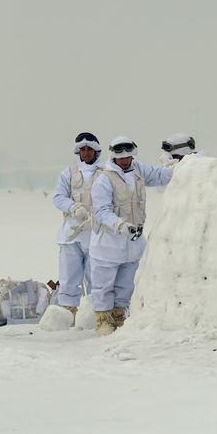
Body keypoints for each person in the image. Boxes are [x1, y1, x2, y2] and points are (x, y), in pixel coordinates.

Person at [89, 136, 174, 336]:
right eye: (122, 158)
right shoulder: (104, 180)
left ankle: (119, 315)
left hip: (133, 243)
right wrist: (120, 225)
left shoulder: (138, 170)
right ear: (114, 157)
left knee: (126, 283)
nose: (126, 161)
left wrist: (185, 166)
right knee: (103, 284)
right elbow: (101, 212)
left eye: (128, 157)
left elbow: (161, 175)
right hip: (108, 244)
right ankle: (103, 320)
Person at [51, 132, 103, 321]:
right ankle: (67, 315)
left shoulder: (106, 172)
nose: (86, 153)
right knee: (67, 277)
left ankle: (95, 315)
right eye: (83, 149)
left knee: (96, 278)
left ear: (96, 151)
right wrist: (73, 207)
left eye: (89, 149)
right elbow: (58, 197)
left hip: (96, 234)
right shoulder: (68, 173)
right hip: (71, 234)